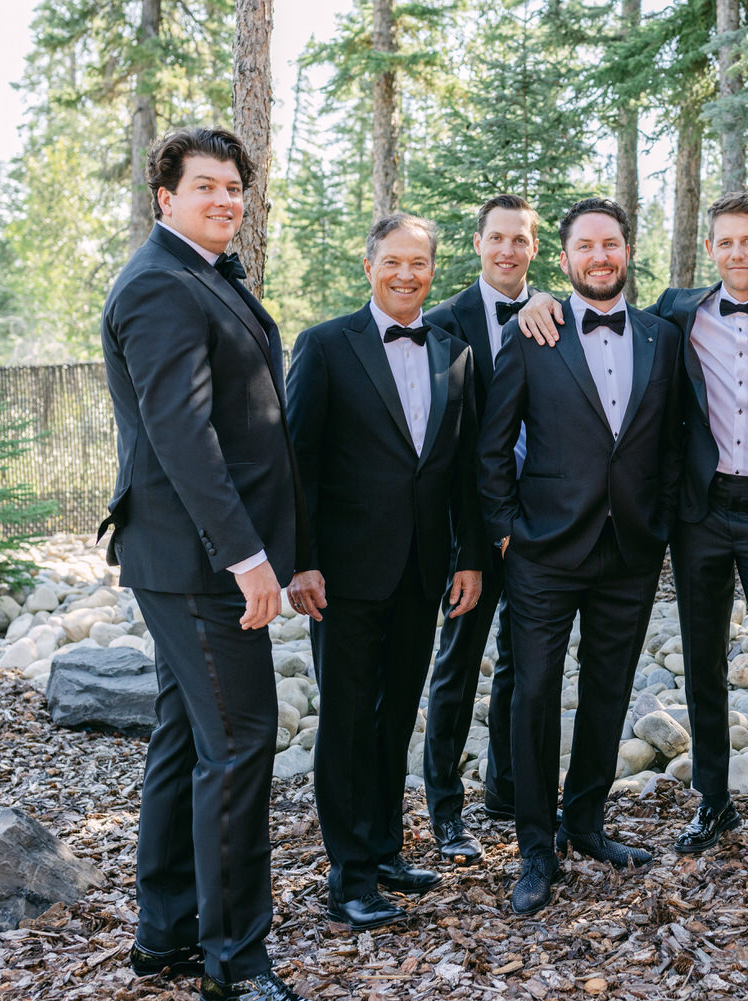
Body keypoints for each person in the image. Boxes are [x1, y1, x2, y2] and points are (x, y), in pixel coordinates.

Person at [517, 192, 748, 878]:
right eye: (723, 242)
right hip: (698, 515)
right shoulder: (677, 312)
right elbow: (594, 301)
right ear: (711, 250)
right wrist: (536, 298)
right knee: (701, 660)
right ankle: (714, 798)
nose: (735, 253)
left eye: (747, 241)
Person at [100, 125, 308, 1001]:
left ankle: (165, 934)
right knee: (240, 746)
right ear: (166, 197)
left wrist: (290, 552)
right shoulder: (158, 286)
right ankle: (235, 961)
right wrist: (250, 559)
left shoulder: (200, 276)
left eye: (234, 187)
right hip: (197, 563)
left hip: (203, 558)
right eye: (206, 186)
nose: (224, 199)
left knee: (186, 741)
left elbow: (256, 435)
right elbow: (185, 440)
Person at [480, 197, 684, 915]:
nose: (600, 257)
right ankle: (536, 847)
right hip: (543, 549)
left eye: (612, 244)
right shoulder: (532, 332)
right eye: (586, 247)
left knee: (607, 690)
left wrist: (659, 526)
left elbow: (675, 439)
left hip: (629, 549)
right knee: (533, 694)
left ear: (627, 252)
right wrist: (505, 528)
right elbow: (493, 441)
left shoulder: (664, 335)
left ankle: (587, 822)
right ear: (563, 259)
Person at [285, 213, 486, 931]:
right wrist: (299, 561)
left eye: (420, 263)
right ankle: (348, 876)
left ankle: (385, 849)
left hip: (423, 568)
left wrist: (466, 557)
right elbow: (297, 463)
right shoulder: (324, 346)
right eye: (394, 261)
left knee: (396, 712)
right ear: (369, 264)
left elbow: (460, 468)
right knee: (345, 722)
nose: (407, 274)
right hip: (341, 573)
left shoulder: (454, 354)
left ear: (433, 269)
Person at [421, 194, 541, 861]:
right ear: (478, 243)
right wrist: (468, 538)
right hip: (467, 531)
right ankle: (445, 809)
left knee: (525, 664)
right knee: (458, 664)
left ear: (533, 246)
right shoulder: (442, 323)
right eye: (497, 238)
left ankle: (507, 788)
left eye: (520, 240)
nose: (507, 251)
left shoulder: (555, 315)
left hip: (534, 528)